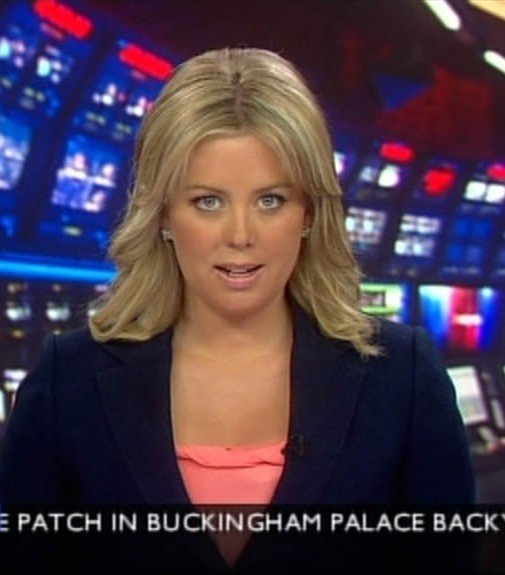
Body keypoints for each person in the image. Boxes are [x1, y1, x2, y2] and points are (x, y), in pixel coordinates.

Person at [0, 48, 476, 573]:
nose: (241, 235)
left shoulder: (403, 377)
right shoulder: (68, 382)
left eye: (270, 200)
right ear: (163, 215)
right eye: (208, 201)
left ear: (308, 213)